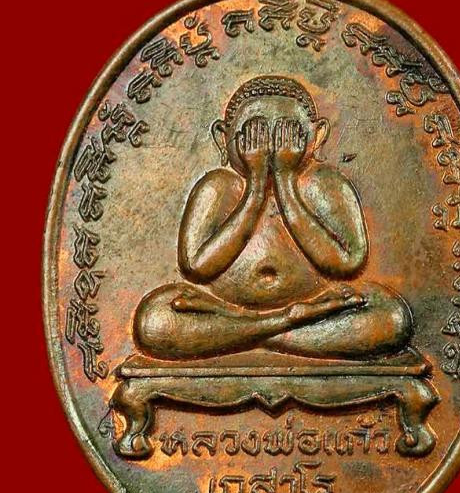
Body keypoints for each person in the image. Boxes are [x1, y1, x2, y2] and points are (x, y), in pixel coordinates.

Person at [133, 76, 412, 362]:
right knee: (154, 320)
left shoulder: (326, 184)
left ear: (317, 136)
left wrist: (285, 182)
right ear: (223, 137)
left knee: (391, 317)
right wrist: (255, 188)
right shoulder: (217, 186)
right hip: (226, 304)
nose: (269, 148)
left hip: (313, 304)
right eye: (254, 133)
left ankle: (248, 334)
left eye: (287, 134)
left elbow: (348, 264)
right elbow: (196, 268)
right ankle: (284, 325)